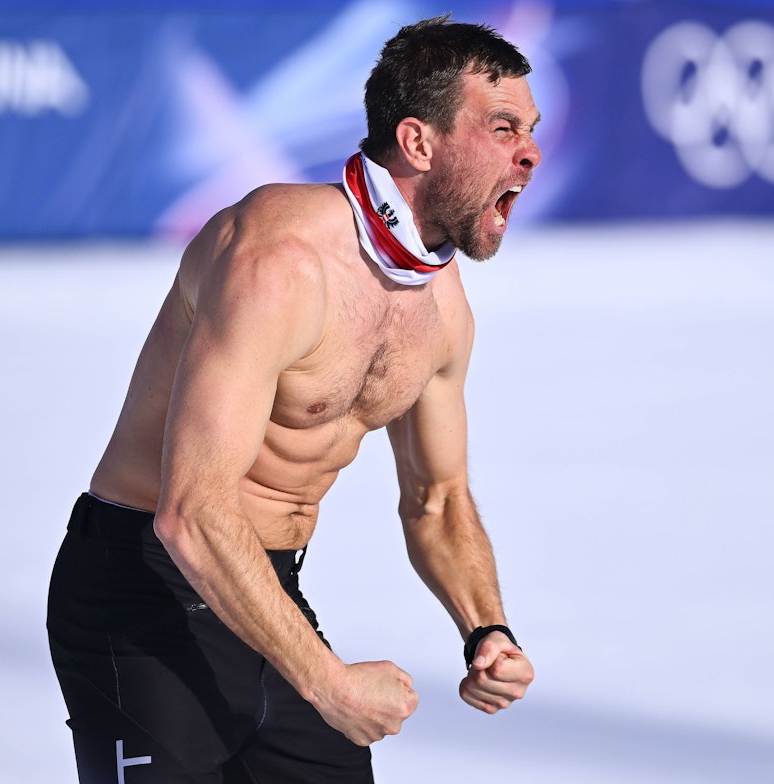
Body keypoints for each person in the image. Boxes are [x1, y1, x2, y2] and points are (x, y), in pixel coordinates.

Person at [46, 15, 541, 783]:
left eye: (530, 130)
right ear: (417, 142)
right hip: (137, 591)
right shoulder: (275, 259)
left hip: (261, 589)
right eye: (503, 127)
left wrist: (487, 629)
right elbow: (192, 512)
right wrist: (330, 682)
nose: (530, 153)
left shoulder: (441, 305)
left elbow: (438, 500)